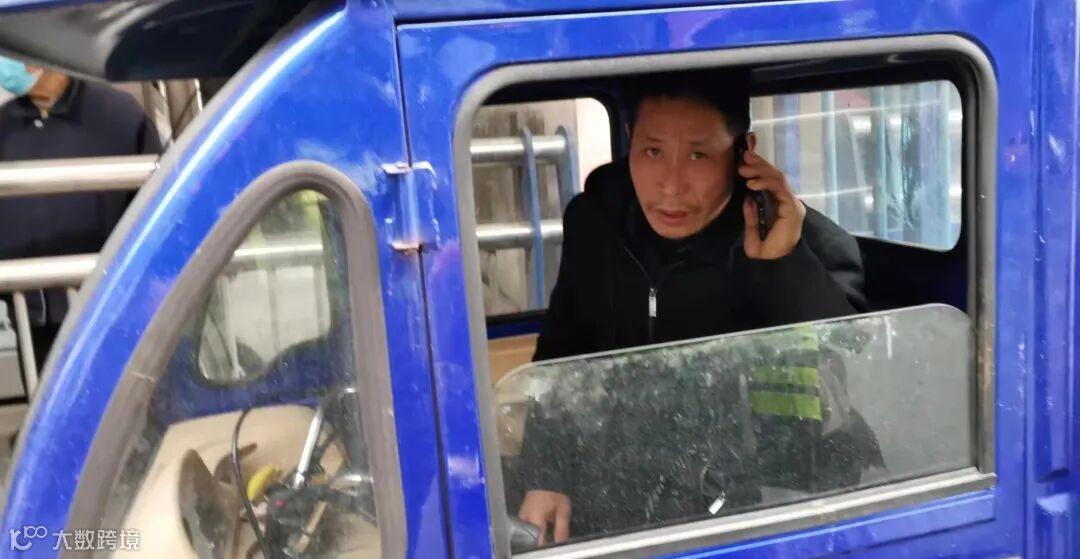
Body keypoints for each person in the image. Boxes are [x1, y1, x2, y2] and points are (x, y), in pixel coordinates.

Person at [514, 72, 871, 545]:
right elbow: (562, 354)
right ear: (630, 141)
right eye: (653, 151)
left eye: (699, 155)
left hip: (752, 506)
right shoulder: (595, 223)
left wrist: (783, 264)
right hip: (616, 490)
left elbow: (852, 357)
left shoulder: (807, 242)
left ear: (744, 153)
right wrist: (545, 472)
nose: (671, 187)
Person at [0, 56, 162, 368]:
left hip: (111, 307)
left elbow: (155, 205)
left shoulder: (117, 116)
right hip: (32, 315)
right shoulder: (4, 127)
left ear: (42, 54)